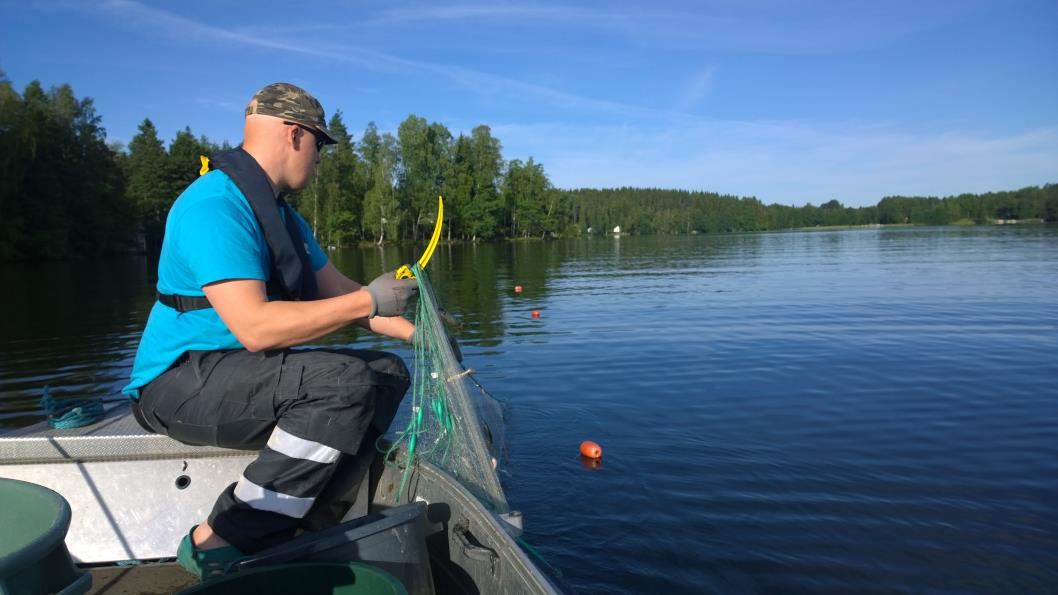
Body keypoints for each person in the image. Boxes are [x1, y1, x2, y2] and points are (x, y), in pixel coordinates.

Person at [122, 82, 419, 579]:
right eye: (320, 146)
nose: (320, 160)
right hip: (175, 383)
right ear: (296, 135)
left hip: (234, 373)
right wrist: (369, 298)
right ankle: (219, 539)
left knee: (386, 372)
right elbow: (257, 327)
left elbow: (341, 293)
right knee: (341, 383)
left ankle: (311, 525)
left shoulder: (284, 219)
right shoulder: (214, 206)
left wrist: (420, 333)